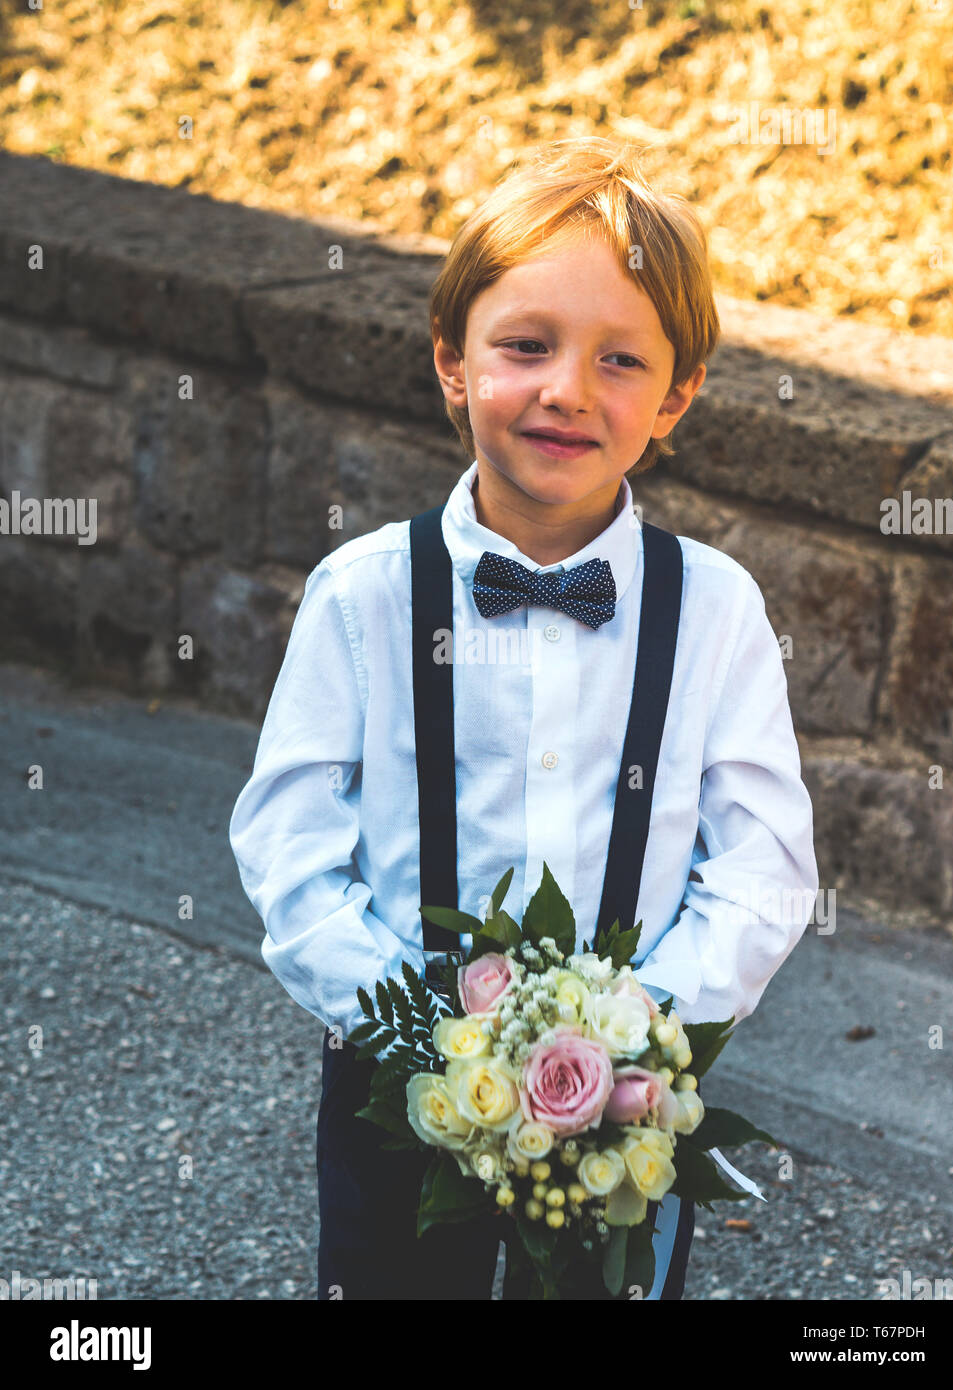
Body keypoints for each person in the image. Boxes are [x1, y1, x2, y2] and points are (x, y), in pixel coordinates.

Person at [228, 136, 818, 1301]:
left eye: (619, 360)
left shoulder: (716, 609)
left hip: (627, 1113)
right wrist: (411, 1026)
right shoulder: (364, 595)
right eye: (526, 346)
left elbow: (764, 866)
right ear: (453, 363)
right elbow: (288, 846)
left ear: (676, 395)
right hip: (400, 1089)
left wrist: (640, 1030)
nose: (566, 390)